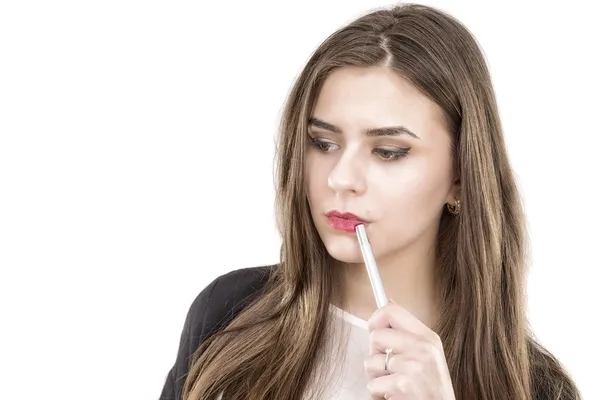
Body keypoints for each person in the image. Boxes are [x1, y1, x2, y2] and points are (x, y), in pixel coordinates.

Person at [159, 3, 581, 399]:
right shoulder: (229, 314)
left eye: (388, 152)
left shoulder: (537, 388)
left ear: (460, 178)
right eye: (322, 143)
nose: (341, 178)